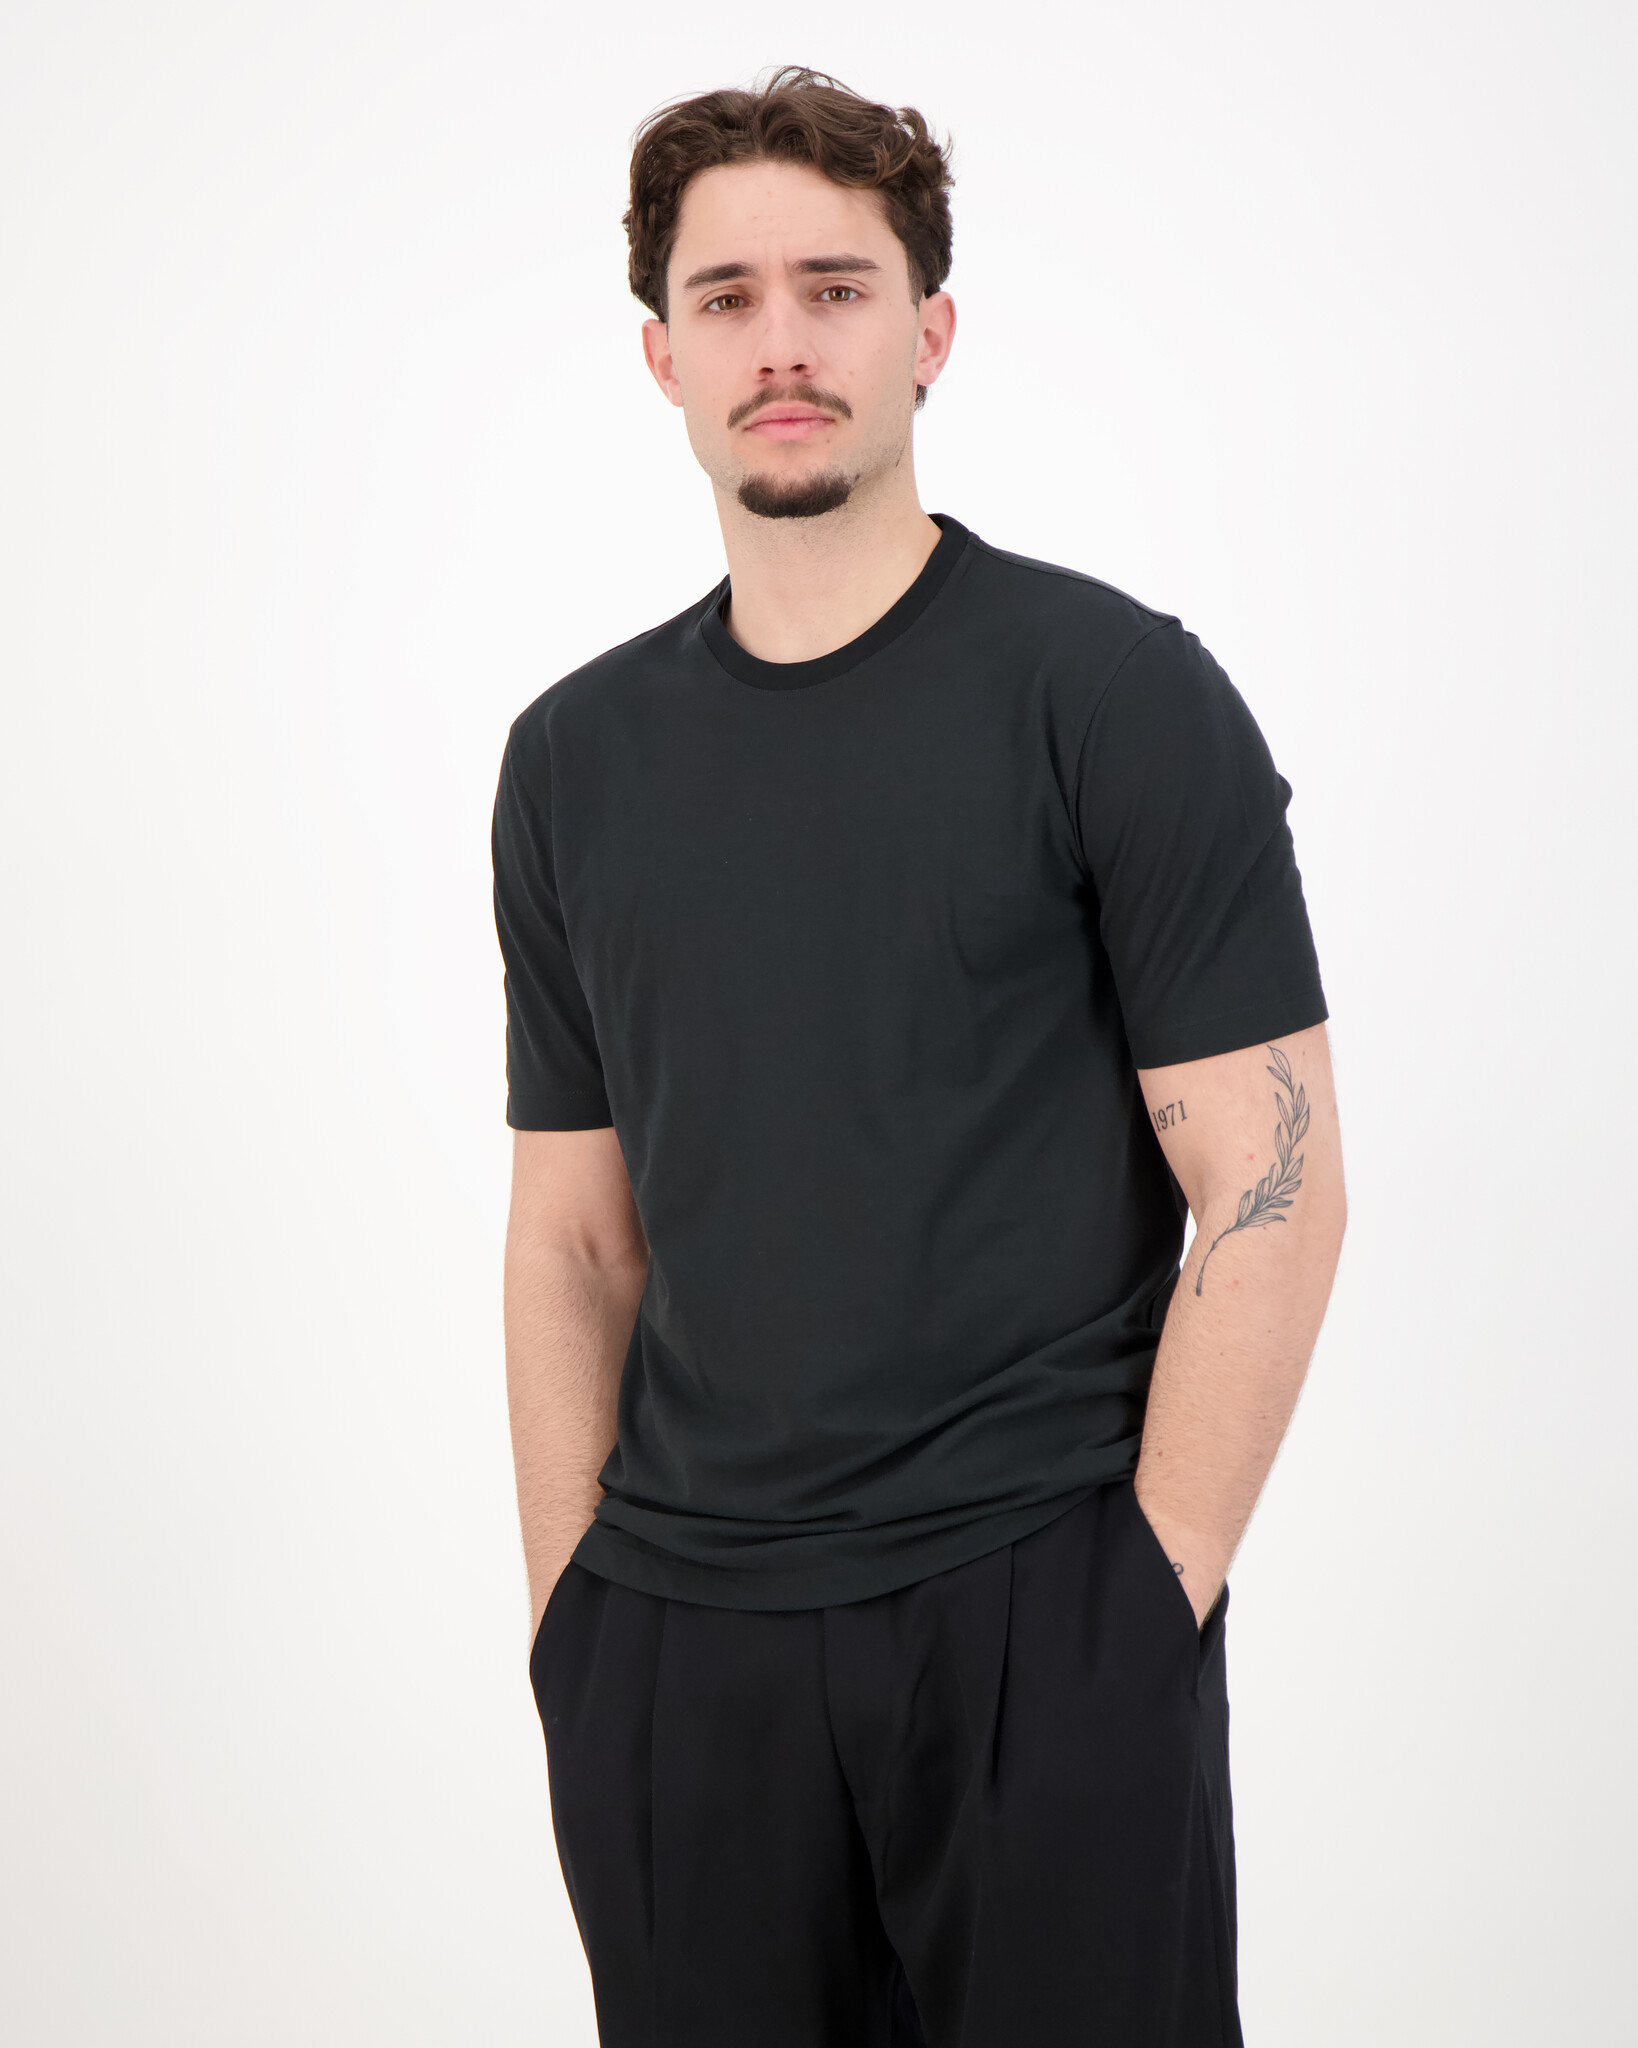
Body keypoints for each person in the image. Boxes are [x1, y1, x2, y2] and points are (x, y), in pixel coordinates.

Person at [492, 63, 1346, 2048]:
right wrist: (574, 1625)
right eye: (726, 298)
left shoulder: (1110, 693)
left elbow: (1270, 1175)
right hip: (679, 1648)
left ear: (929, 332)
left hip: (1038, 1608)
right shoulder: (574, 761)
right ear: (662, 356)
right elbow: (573, 1236)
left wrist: (1146, 1599)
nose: (781, 344)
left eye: (836, 288)